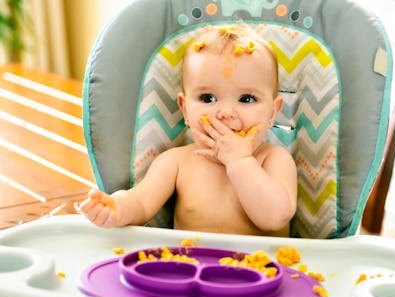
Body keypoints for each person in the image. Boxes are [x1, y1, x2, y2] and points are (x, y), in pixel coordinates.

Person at [79, 24, 297, 237]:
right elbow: (142, 202)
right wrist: (117, 207)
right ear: (185, 109)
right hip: (189, 265)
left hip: (263, 269)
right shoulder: (176, 162)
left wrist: (240, 162)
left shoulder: (274, 160)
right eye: (207, 98)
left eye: (246, 99)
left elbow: (275, 218)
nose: (226, 113)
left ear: (272, 113)